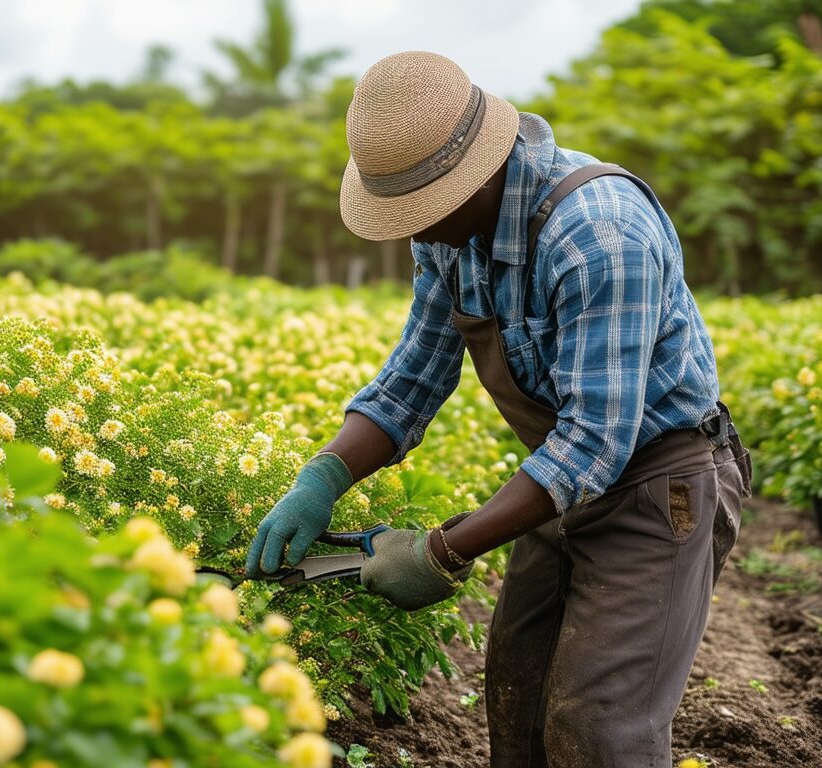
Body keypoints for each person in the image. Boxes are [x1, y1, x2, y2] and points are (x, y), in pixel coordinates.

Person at [244, 51, 752, 767]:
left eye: (423, 210)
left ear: (480, 174)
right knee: (519, 702)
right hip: (559, 487)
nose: (413, 229)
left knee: (602, 728)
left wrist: (442, 551)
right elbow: (411, 381)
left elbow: (595, 443)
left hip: (654, 487)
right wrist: (321, 478)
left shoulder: (601, 235)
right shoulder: (453, 237)